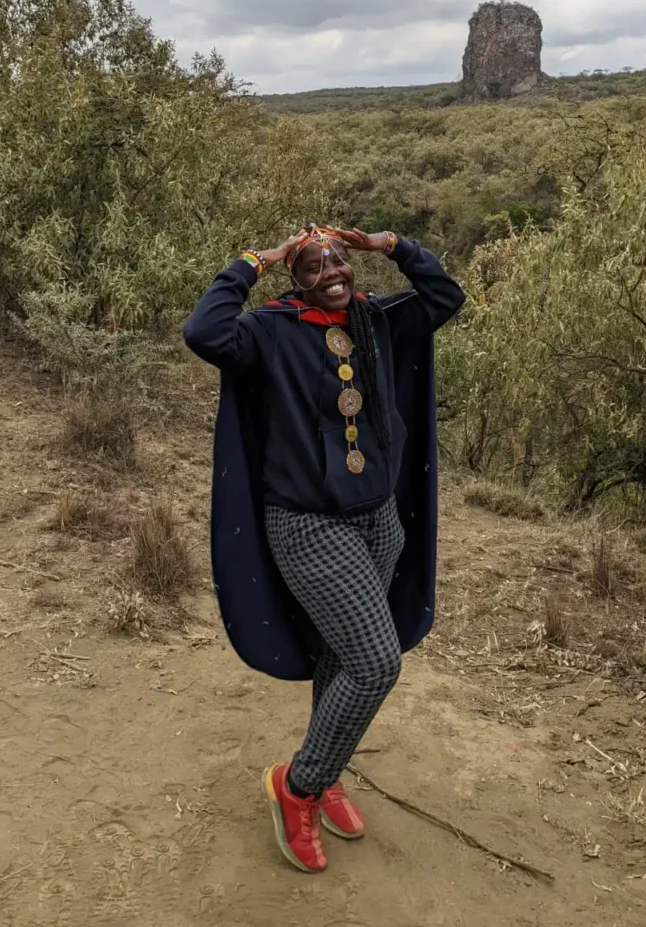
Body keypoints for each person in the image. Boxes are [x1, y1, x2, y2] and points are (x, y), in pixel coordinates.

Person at [183, 224, 464, 873]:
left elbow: (445, 296)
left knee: (344, 652)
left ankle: (327, 761)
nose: (333, 271)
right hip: (309, 527)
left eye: (340, 259)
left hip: (380, 522)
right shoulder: (269, 331)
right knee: (374, 664)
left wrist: (389, 245)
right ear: (295, 275)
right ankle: (299, 785)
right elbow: (204, 332)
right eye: (314, 264)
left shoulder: (377, 319)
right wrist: (253, 260)